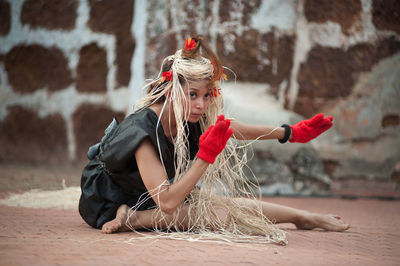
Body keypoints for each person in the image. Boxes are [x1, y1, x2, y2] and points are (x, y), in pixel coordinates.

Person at [79, 36, 349, 244]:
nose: (201, 104)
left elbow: (231, 128)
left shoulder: (190, 117)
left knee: (220, 204)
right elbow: (169, 203)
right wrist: (205, 157)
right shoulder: (143, 133)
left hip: (142, 195)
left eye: (207, 95)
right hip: (107, 200)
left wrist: (290, 133)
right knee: (202, 214)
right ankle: (133, 219)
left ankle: (304, 217)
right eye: (193, 94)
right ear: (172, 91)